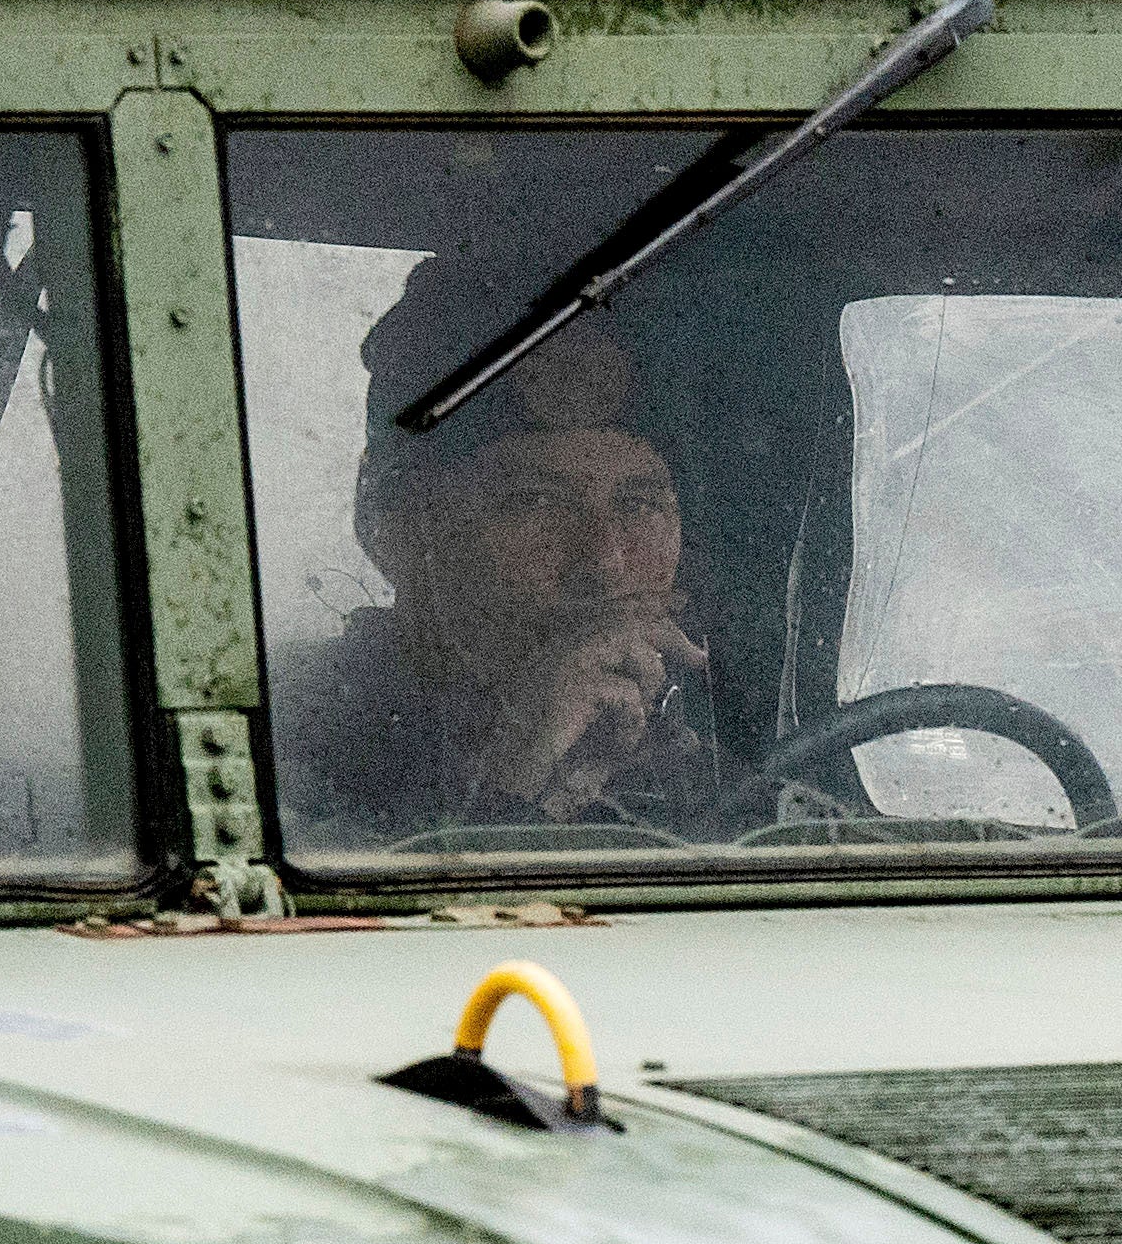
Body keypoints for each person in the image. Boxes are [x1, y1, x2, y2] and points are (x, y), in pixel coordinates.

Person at [268, 287, 763, 838]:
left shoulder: (699, 739)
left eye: (640, 506)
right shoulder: (279, 736)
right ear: (397, 529)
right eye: (535, 503)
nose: (604, 563)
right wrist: (513, 773)